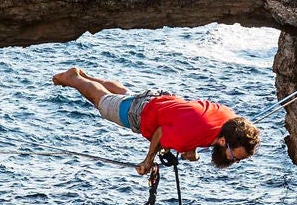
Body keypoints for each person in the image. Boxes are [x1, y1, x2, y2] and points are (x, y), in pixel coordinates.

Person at [52, 67, 261, 176]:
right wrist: (148, 161)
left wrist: (191, 151)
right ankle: (73, 78)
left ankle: (86, 76)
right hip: (142, 113)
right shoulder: (189, 137)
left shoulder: (232, 120)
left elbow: (199, 127)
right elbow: (160, 134)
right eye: (234, 157)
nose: (234, 161)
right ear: (224, 142)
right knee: (104, 103)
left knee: (124, 94)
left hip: (161, 99)